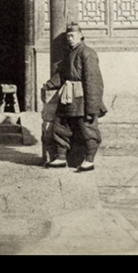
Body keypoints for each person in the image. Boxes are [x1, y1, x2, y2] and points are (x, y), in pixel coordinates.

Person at [43, 24, 106, 171]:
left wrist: (92, 107)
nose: (70, 39)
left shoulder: (87, 53)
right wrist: (49, 84)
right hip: (68, 97)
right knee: (60, 125)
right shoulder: (70, 54)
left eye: (73, 36)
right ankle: (60, 157)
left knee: (88, 128)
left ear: (81, 36)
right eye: (68, 36)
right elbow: (63, 75)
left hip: (82, 97)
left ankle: (89, 160)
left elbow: (93, 81)